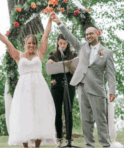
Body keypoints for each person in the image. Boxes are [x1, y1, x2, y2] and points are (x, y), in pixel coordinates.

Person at [50, 12, 116, 148]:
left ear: (97, 33)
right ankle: (89, 145)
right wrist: (59, 22)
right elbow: (69, 36)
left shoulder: (107, 52)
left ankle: (105, 145)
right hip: (82, 87)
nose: (88, 36)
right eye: (86, 35)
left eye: (91, 33)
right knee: (86, 120)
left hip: (97, 89)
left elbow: (110, 74)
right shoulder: (82, 47)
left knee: (101, 120)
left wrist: (112, 91)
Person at [0, 17, 56, 148]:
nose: (31, 45)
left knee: (40, 114)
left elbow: (46, 36)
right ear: (25, 43)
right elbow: (7, 43)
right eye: (29, 43)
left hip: (39, 88)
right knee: (24, 115)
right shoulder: (18, 55)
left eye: (33, 43)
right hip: (24, 89)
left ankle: (37, 146)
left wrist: (49, 21)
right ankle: (25, 146)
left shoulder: (39, 55)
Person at [48, 35, 78, 147]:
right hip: (56, 85)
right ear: (57, 43)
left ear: (68, 43)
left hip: (69, 85)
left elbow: (77, 71)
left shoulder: (73, 55)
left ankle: (69, 140)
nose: (63, 45)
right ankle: (59, 138)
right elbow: (49, 67)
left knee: (68, 111)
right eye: (60, 43)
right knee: (57, 112)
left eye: (65, 43)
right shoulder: (53, 54)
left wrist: (70, 67)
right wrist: (51, 62)